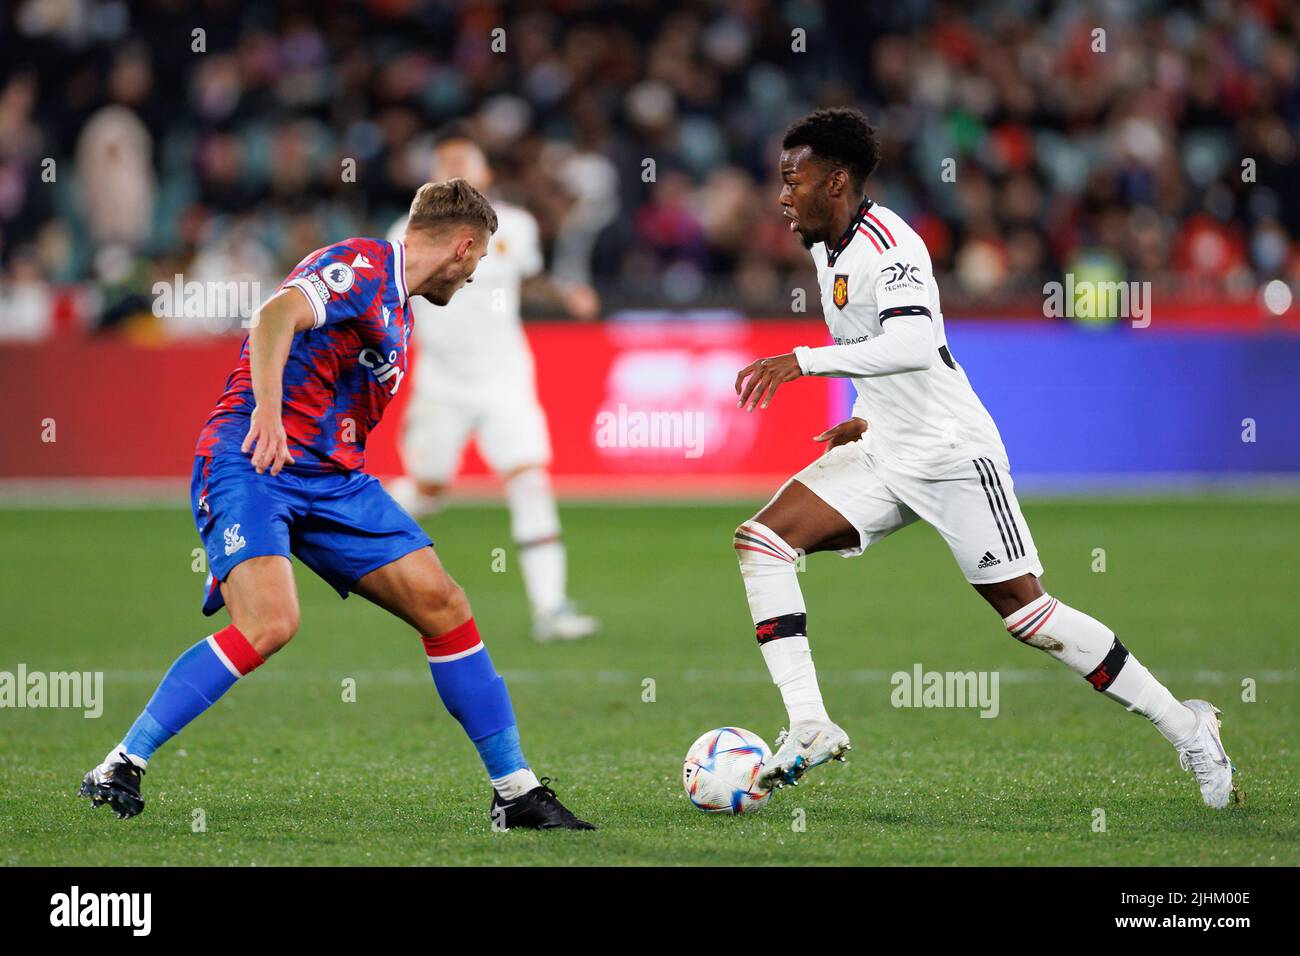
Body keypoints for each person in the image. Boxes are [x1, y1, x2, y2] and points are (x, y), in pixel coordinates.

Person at [732, 108, 1236, 809]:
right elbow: (872, 344)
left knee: (1028, 617)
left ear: (836, 180)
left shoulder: (892, 243)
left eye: (794, 179)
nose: (782, 195)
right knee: (762, 541)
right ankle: (810, 724)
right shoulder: (826, 249)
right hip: (885, 447)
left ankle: (1188, 727)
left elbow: (913, 342)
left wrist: (802, 362)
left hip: (950, 450)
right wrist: (859, 413)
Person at [79, 178, 594, 830]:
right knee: (271, 624)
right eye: (480, 259)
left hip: (335, 483)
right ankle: (121, 763)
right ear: (463, 246)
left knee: (445, 605)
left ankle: (515, 793)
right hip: (255, 460)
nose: (473, 277)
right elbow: (274, 317)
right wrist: (266, 414)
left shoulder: (401, 307)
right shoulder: (361, 265)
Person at [388, 129, 600, 642]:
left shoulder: (517, 226)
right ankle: (338, 537)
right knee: (427, 489)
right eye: (446, 166)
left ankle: (550, 608)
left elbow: (526, 277)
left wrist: (566, 295)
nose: (456, 173)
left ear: (485, 174)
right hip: (441, 382)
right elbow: (388, 299)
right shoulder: (404, 235)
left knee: (528, 479)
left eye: (465, 164)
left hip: (505, 377)